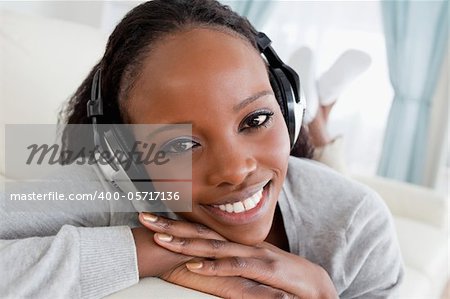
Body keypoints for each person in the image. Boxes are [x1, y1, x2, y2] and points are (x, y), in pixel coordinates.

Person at [0, 1, 403, 298]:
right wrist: (147, 249)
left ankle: (320, 115)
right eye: (182, 143)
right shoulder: (109, 190)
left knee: (322, 164)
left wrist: (321, 294)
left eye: (256, 119)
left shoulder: (356, 222)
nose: (235, 168)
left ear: (285, 107)